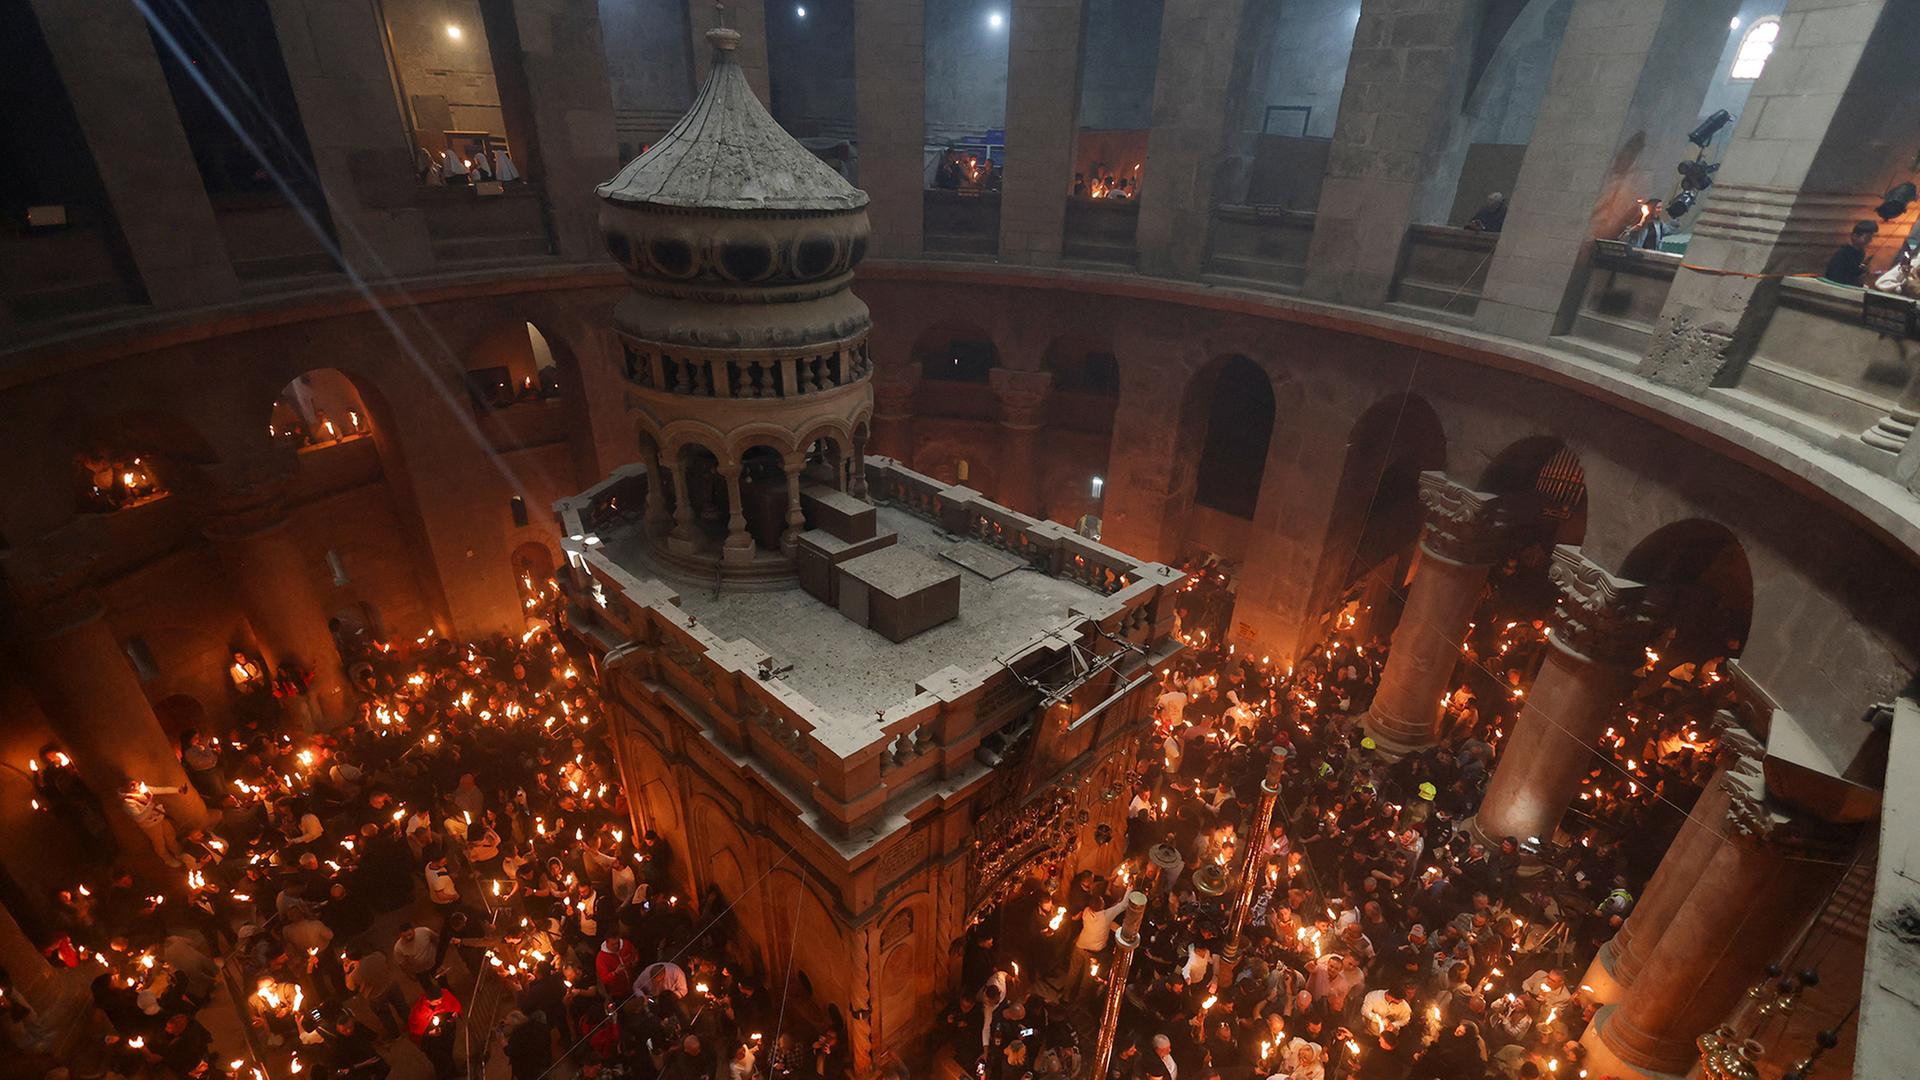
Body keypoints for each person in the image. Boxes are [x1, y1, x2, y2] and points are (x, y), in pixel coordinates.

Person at [121, 779, 187, 867]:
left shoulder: (143, 789)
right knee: (159, 843)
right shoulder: (128, 803)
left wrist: (178, 790)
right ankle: (167, 859)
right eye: (131, 786)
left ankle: (179, 853)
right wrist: (150, 805)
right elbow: (138, 818)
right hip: (150, 825)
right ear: (125, 788)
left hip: (160, 817)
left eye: (135, 784)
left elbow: (160, 790)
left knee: (170, 835)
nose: (135, 787)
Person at [1825, 219, 1879, 285]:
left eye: (1870, 238)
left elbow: (1855, 271)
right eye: (1867, 238)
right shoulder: (1843, 253)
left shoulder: (1861, 252)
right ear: (1855, 236)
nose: (1869, 241)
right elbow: (1836, 274)